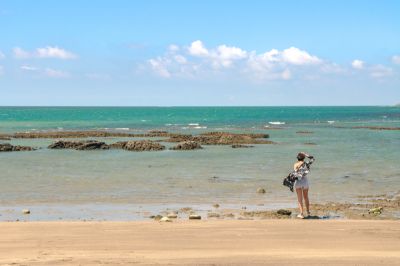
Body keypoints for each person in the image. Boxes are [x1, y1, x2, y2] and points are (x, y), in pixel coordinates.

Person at [293, 152, 315, 219]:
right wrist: (306, 154)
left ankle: (301, 214)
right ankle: (308, 213)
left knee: (300, 199)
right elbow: (313, 158)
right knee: (306, 198)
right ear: (304, 158)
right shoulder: (306, 163)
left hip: (298, 182)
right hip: (305, 181)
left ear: (297, 158)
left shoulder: (295, 164)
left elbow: (295, 172)